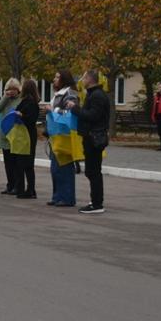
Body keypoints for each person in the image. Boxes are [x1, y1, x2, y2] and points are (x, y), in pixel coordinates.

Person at [67, 69, 110, 214]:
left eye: (84, 78)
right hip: (91, 136)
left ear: (90, 79)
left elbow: (93, 116)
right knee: (92, 171)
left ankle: (97, 204)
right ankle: (95, 201)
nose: (82, 81)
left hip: (94, 138)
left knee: (93, 171)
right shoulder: (93, 94)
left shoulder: (97, 95)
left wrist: (75, 108)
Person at [41, 70, 79, 207]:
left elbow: (70, 112)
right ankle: (57, 196)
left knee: (64, 168)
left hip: (64, 136)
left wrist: (52, 110)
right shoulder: (59, 94)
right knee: (55, 168)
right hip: (56, 135)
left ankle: (67, 198)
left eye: (57, 77)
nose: (54, 79)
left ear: (64, 79)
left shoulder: (70, 93)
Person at [12, 79, 40, 199]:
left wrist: (21, 115)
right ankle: (27, 189)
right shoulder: (27, 102)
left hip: (27, 135)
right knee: (25, 163)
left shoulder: (30, 103)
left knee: (25, 163)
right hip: (25, 134)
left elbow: (30, 119)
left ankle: (27, 190)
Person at [0, 78, 22, 194]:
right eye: (8, 89)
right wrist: (5, 97)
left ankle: (17, 185)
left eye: (13, 89)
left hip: (15, 134)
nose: (11, 92)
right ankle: (10, 184)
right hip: (5, 133)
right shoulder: (6, 99)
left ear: (18, 89)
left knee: (16, 163)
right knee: (8, 162)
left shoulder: (20, 100)